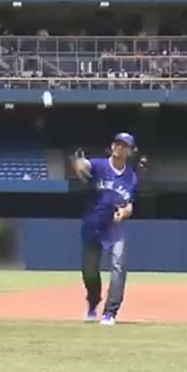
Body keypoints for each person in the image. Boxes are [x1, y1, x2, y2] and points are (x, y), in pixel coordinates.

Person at [72, 132, 139, 325]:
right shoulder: (100, 165)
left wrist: (126, 212)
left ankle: (110, 312)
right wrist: (79, 164)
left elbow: (130, 204)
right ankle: (93, 302)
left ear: (130, 151)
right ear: (112, 146)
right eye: (117, 144)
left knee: (119, 266)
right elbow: (84, 166)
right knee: (89, 270)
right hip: (92, 224)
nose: (120, 148)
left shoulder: (131, 178)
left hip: (113, 227)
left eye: (124, 145)